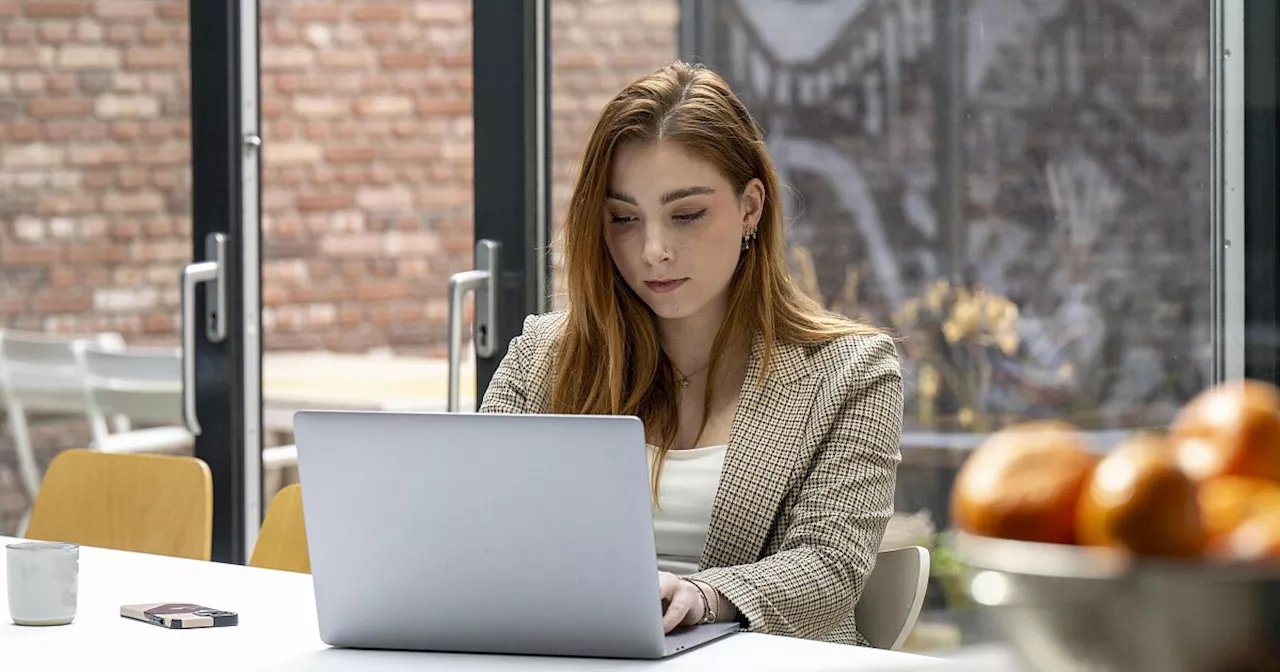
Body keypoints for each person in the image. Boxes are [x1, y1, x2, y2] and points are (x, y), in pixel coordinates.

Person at [479, 61, 902, 646]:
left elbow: (830, 566)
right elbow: (478, 528)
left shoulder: (852, 372)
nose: (653, 250)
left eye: (686, 215)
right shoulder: (544, 359)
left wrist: (705, 598)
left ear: (750, 207)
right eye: (624, 219)